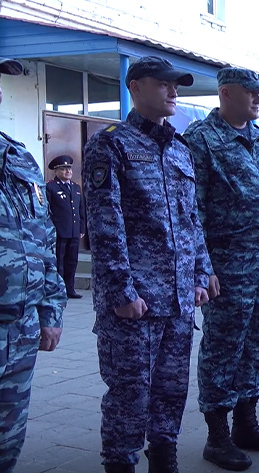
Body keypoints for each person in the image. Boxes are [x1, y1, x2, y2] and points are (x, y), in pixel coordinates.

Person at [83, 56, 213, 473]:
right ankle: (120, 464)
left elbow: (192, 218)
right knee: (129, 394)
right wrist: (122, 292)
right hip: (135, 302)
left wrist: (200, 272)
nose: (174, 92)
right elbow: (106, 222)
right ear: (135, 87)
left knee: (172, 389)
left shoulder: (179, 149)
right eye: (165, 84)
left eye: (177, 85)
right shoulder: (111, 143)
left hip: (177, 300)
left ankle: (164, 459)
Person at [183, 67, 259, 470]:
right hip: (227, 263)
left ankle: (247, 423)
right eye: (252, 93)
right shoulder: (200, 140)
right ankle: (217, 435)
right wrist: (202, 266)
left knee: (258, 340)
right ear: (226, 94)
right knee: (223, 346)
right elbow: (192, 210)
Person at [0, 57, 65, 473]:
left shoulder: (19, 159)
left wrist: (50, 309)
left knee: (8, 439)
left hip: (20, 331)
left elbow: (44, 240)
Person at [45, 155, 85, 298]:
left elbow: (81, 209)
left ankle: (70, 289)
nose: (68, 171)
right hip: (60, 231)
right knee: (59, 262)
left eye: (69, 168)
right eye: (63, 169)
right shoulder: (50, 187)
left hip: (74, 231)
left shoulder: (75, 187)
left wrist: (82, 228)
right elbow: (47, 210)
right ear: (56, 171)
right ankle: (58, 289)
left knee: (72, 262)